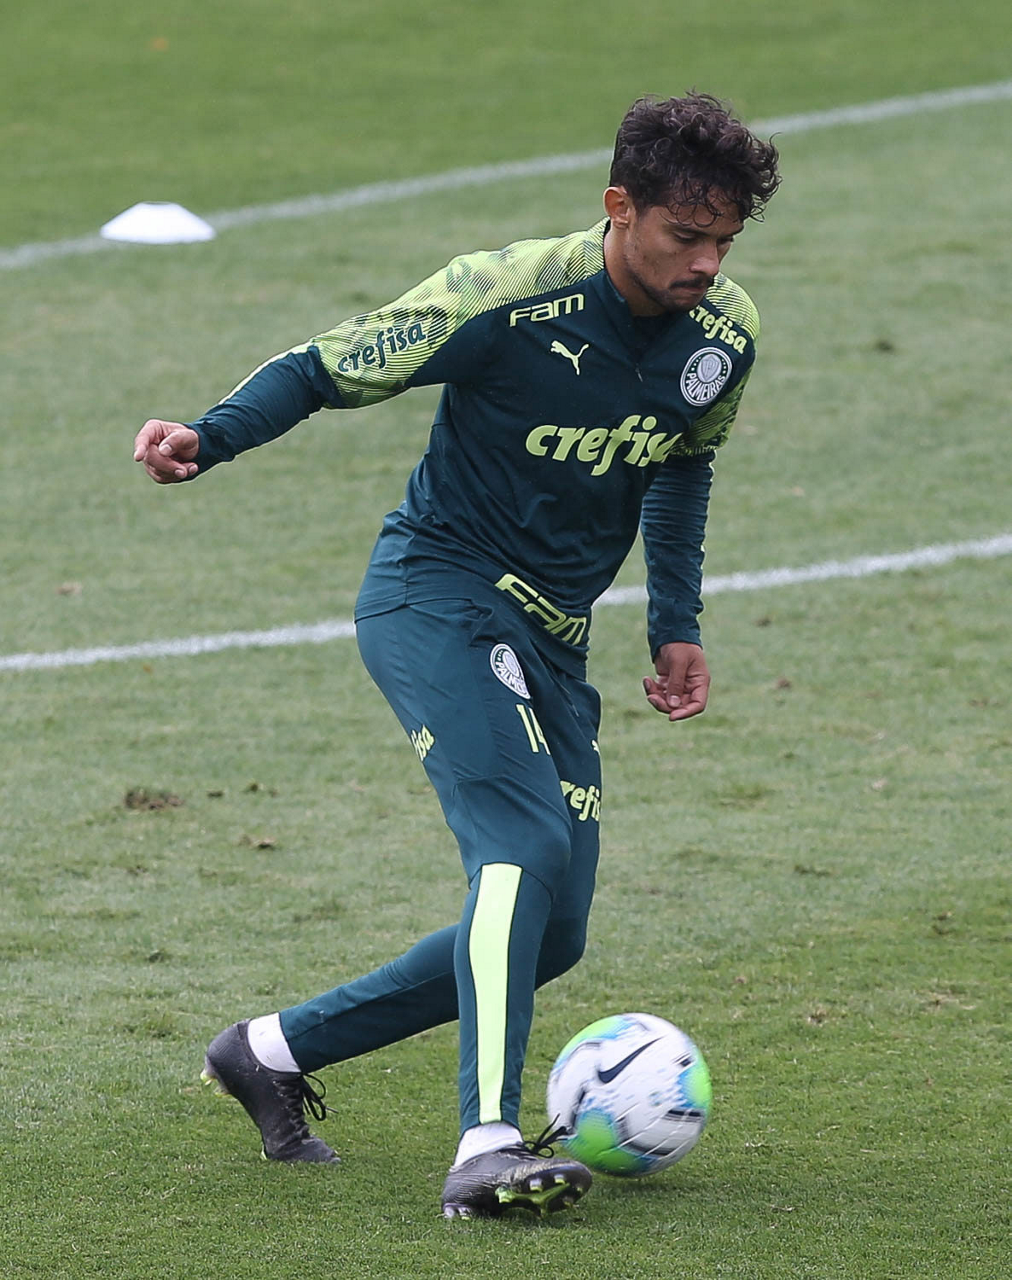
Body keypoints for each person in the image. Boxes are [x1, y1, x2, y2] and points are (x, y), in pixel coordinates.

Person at [133, 91, 780, 1220]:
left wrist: (674, 620)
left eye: (724, 241)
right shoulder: (507, 295)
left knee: (554, 929)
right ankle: (485, 1143)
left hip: (553, 637)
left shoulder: (723, 336)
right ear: (619, 207)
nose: (706, 264)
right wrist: (211, 434)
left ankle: (269, 1051)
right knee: (520, 846)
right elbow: (331, 363)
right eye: (687, 236)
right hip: (437, 594)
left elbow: (683, 464)